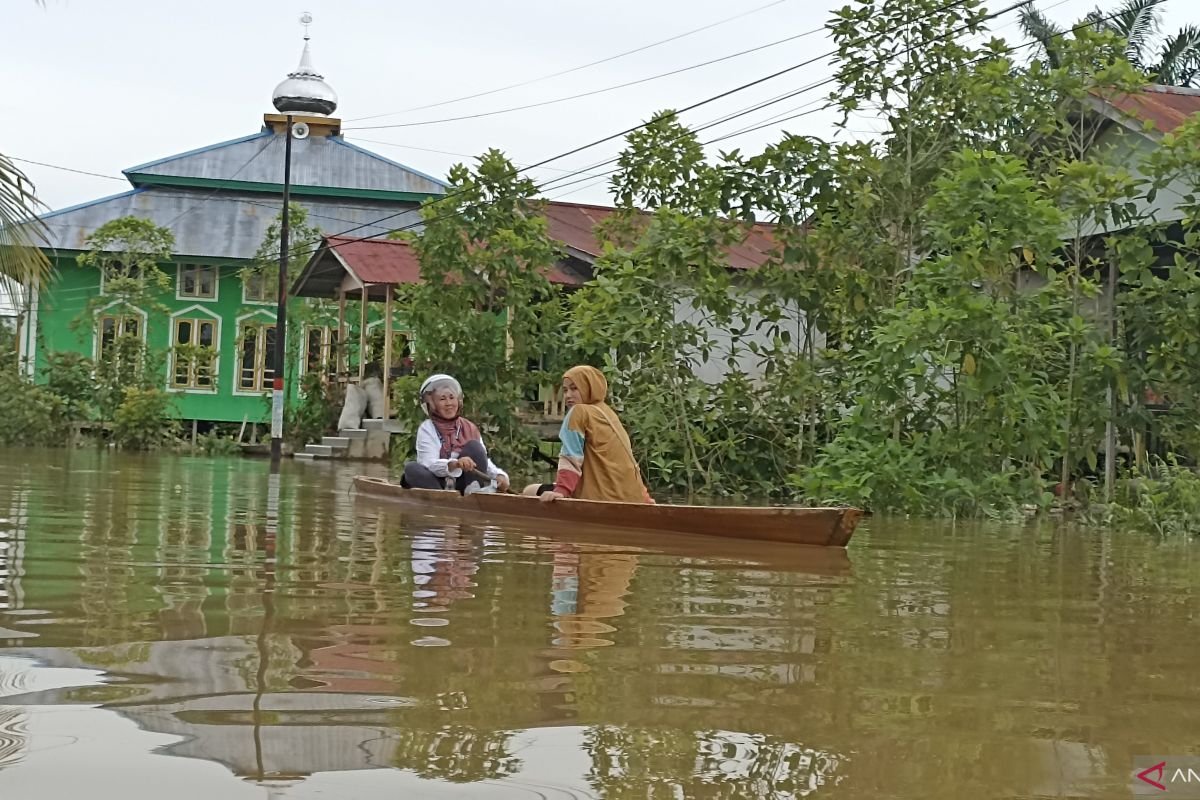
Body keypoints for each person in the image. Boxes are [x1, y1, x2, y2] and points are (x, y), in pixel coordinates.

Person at [536, 366, 652, 504]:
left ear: (588, 388)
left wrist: (562, 490)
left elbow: (571, 456)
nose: (567, 395)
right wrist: (646, 499)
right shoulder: (609, 414)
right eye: (565, 390)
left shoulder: (578, 412)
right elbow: (628, 462)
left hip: (598, 498)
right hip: (634, 498)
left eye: (574, 389)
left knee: (529, 490)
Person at [403, 374, 510, 494]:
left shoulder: (469, 427)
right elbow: (429, 463)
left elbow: (484, 460)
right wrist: (455, 464)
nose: (449, 403)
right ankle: (441, 501)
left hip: (463, 483)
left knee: (474, 446)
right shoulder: (427, 428)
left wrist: (499, 476)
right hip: (437, 484)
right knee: (411, 468)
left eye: (452, 397)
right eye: (442, 399)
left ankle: (473, 493)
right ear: (431, 404)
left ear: (458, 400)